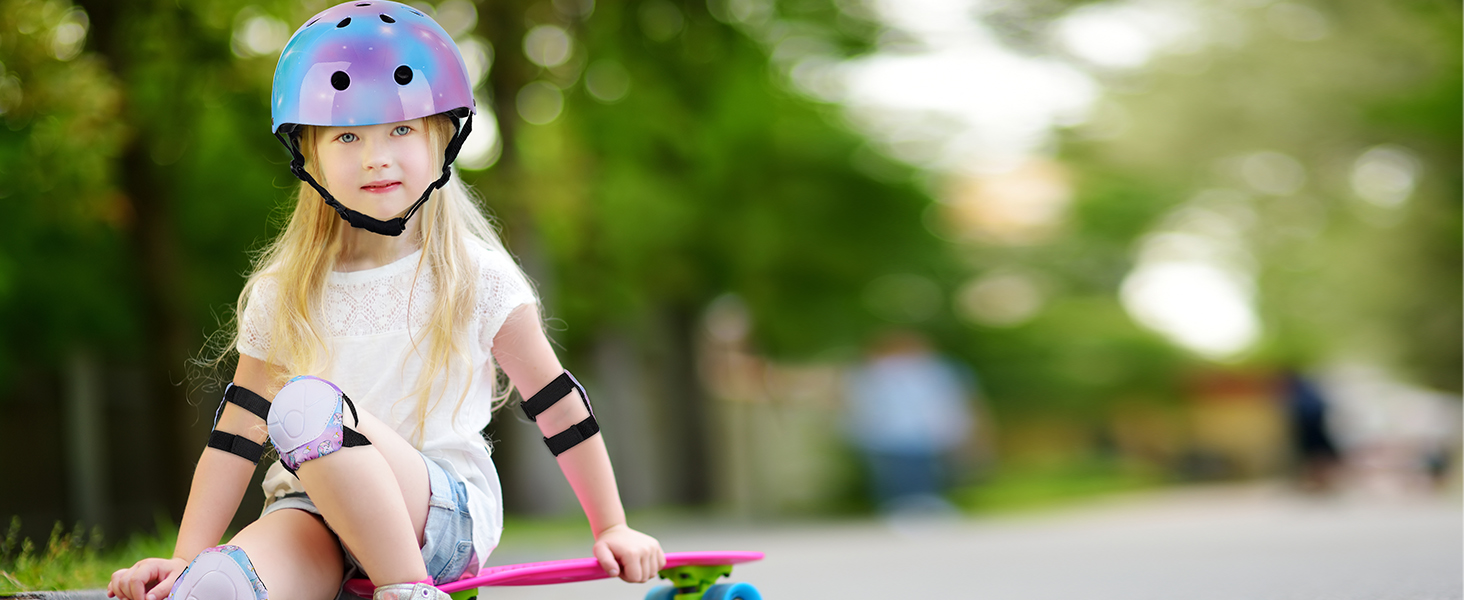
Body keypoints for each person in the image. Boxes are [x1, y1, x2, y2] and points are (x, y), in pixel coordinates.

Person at [106, 3, 664, 599]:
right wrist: (185, 558)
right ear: (309, 155)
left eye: (400, 129)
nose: (376, 157)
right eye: (348, 135)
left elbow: (555, 401)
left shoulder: (476, 276)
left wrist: (613, 525)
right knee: (212, 588)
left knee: (304, 408)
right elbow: (235, 436)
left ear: (442, 139)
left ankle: (406, 590)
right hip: (312, 513)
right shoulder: (282, 293)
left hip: (439, 514)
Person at [844, 330, 975, 515]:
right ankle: (904, 508)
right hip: (889, 434)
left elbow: (949, 403)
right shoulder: (874, 373)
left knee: (925, 471)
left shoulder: (935, 370)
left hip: (925, 433)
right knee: (899, 473)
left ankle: (922, 506)